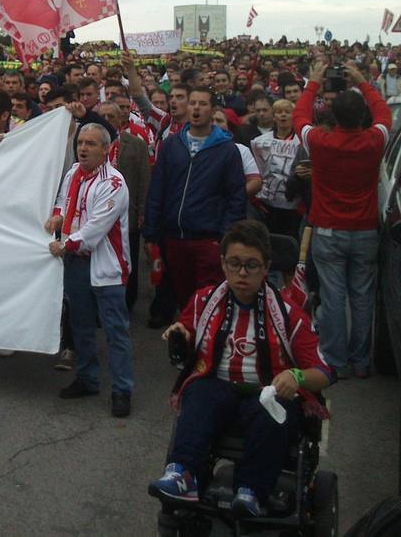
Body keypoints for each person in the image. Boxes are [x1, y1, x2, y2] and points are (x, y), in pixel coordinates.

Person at [150, 220, 331, 518]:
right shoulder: (204, 302)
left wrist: (296, 376)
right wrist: (179, 332)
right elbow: (187, 329)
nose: (242, 273)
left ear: (266, 267)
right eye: (234, 264)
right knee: (200, 392)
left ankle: (252, 491)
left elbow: (324, 372)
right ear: (223, 263)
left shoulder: (289, 314)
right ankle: (182, 474)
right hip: (218, 390)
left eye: (251, 265)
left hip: (265, 394)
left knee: (273, 406)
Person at [295, 58, 390, 378]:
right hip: (364, 231)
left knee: (334, 297)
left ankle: (335, 362)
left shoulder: (321, 142)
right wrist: (363, 80)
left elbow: (299, 117)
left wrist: (313, 82)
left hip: (328, 230)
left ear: (333, 114)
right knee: (362, 297)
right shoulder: (376, 139)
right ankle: (361, 362)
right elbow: (384, 113)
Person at [46, 123, 134, 418]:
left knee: (115, 331)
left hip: (105, 268)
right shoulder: (73, 174)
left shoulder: (114, 183)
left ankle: (122, 389)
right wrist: (57, 218)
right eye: (81, 142)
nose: (83, 148)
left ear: (106, 149)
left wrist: (65, 244)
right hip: (76, 265)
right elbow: (62, 202)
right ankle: (87, 378)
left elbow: (95, 229)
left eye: (91, 144)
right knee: (81, 325)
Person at [144, 86, 247, 311]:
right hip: (174, 238)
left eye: (202, 104)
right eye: (193, 103)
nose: (196, 108)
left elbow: (236, 198)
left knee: (208, 302)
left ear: (212, 110)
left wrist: (224, 235)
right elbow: (158, 188)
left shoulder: (227, 150)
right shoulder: (172, 144)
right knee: (183, 301)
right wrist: (151, 231)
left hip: (208, 239)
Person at [98, 101, 150, 312]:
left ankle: (127, 304)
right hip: (98, 217)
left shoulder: (136, 144)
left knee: (128, 262)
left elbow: (143, 181)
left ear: (121, 120)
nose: (108, 121)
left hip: (127, 216)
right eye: (103, 117)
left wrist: (142, 213)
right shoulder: (88, 144)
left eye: (112, 116)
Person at [249, 99, 303, 237]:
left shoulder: (301, 142)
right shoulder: (260, 142)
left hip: (293, 206)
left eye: (287, 112)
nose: (283, 115)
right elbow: (258, 170)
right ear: (274, 117)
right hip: (267, 205)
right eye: (279, 112)